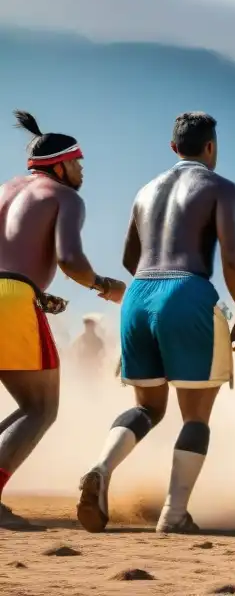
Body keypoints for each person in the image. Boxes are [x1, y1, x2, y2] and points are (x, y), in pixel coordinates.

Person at [77, 112, 235, 534]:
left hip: (138, 294)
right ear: (211, 147)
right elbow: (230, 254)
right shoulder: (222, 188)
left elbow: (128, 259)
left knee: (146, 407)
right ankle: (174, 514)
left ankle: (101, 467)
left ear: (173, 148)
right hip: (187, 291)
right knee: (195, 417)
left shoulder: (145, 191)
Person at [0, 111, 124, 528]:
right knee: (40, 407)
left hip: (12, 291)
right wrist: (106, 285)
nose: (82, 170)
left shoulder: (4, 190)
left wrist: (37, 292)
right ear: (59, 165)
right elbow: (70, 259)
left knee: (28, 405)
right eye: (78, 162)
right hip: (12, 300)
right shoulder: (64, 196)